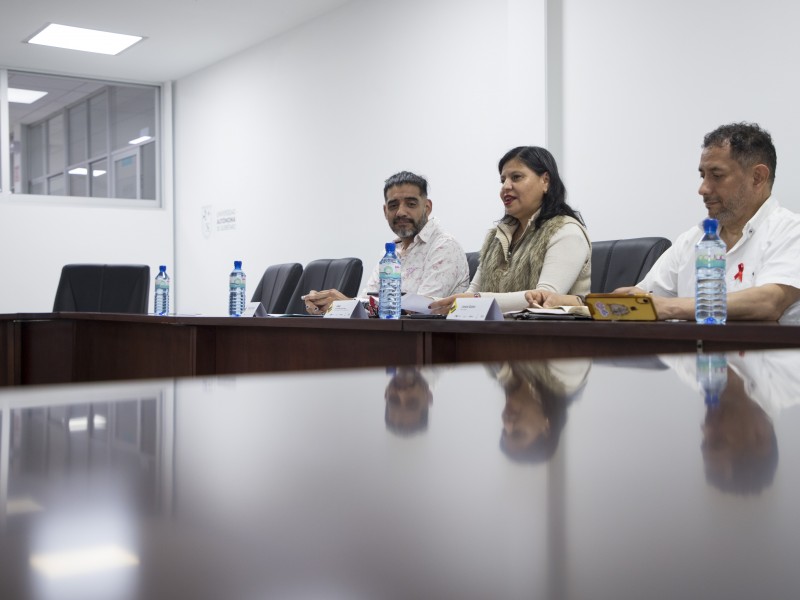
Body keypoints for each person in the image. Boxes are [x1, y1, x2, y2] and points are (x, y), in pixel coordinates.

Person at [529, 123, 800, 322]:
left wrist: (669, 308)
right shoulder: (693, 240)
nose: (703, 189)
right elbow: (642, 299)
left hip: (765, 383)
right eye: (702, 175)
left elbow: (769, 302)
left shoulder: (790, 231)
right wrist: (570, 303)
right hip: (697, 377)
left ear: (757, 178)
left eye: (717, 175)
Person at [429, 146, 590, 315]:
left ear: (545, 181)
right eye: (503, 180)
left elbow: (543, 299)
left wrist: (474, 300)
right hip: (496, 333)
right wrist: (435, 305)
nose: (506, 186)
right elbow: (471, 293)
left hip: (550, 337)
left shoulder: (566, 231)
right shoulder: (496, 237)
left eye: (516, 177)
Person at [303, 171, 469, 314]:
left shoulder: (445, 246)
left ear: (427, 207)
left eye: (411, 204)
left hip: (429, 344)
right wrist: (329, 305)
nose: (401, 212)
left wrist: (347, 303)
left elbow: (423, 309)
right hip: (389, 339)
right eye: (393, 205)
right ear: (385, 211)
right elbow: (368, 301)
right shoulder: (390, 252)